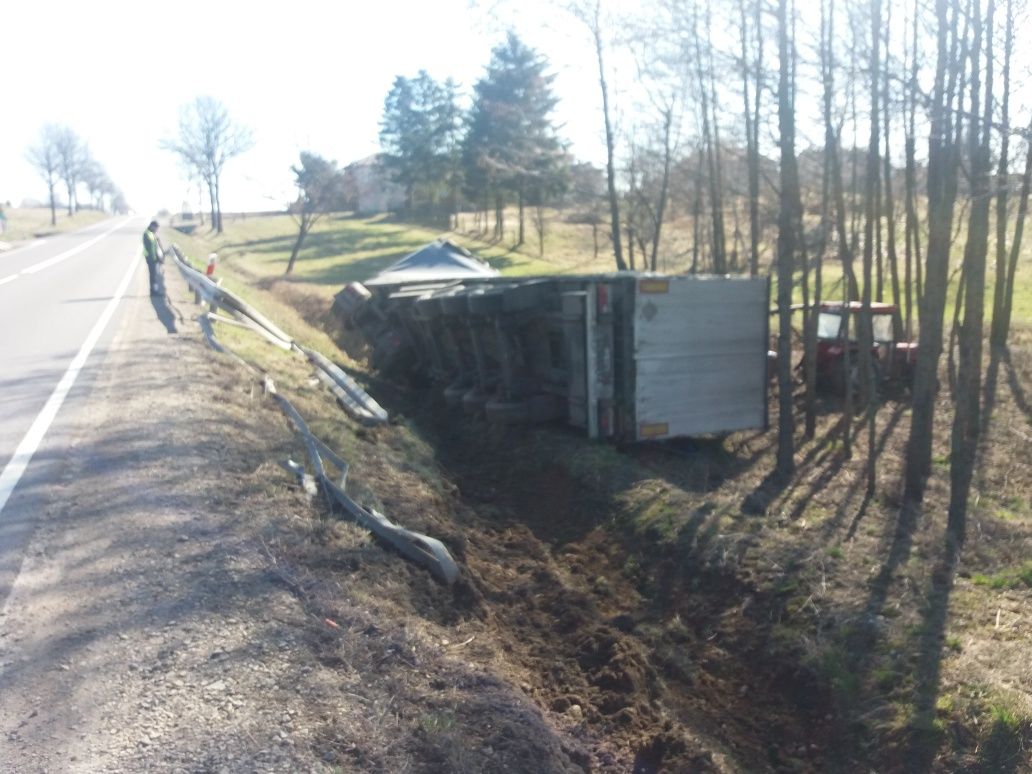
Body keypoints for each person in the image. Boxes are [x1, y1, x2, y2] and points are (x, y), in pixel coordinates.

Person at [142, 220, 163, 296]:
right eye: (156, 228)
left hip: (153, 258)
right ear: (152, 226)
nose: (156, 230)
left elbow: (155, 247)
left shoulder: (151, 233)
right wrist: (151, 257)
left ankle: (154, 290)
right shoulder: (147, 234)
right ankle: (154, 291)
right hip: (150, 259)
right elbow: (149, 247)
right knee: (153, 275)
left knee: (153, 275)